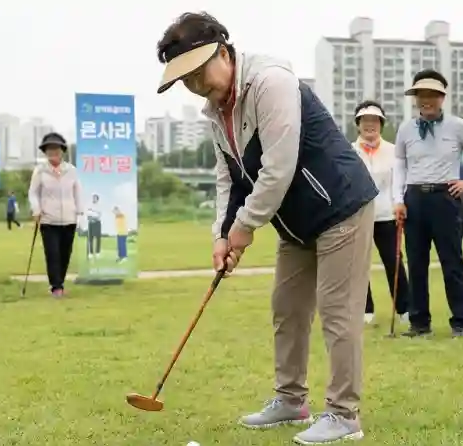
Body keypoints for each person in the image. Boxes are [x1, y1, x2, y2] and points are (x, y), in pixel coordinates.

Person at [156, 12, 378, 444]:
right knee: (287, 308)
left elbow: (278, 168)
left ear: (223, 52)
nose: (196, 83)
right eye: (185, 78)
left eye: (199, 71)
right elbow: (229, 179)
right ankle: (291, 400)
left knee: (338, 313)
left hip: (341, 206)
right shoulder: (215, 111)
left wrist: (244, 228)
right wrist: (221, 236)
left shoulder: (270, 81)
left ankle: (344, 414)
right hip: (295, 222)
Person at [393, 69, 463, 339]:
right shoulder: (405, 129)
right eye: (421, 95)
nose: (426, 100)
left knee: (452, 262)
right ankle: (419, 322)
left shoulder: (457, 126)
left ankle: (459, 322)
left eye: (432, 95)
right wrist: (398, 199)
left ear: (442, 98)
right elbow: (399, 165)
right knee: (416, 262)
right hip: (414, 198)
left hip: (445, 197)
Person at [350, 100, 410, 325]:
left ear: (381, 124)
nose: (370, 125)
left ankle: (404, 308)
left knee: (394, 262)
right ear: (358, 125)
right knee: (358, 265)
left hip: (387, 215)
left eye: (374, 121)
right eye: (365, 121)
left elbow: (399, 182)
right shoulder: (349, 151)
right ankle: (365, 310)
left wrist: (399, 203)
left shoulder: (393, 151)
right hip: (359, 215)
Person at [28, 132, 83, 298]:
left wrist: (80, 211)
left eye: (56, 149)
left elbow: (78, 191)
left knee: (65, 255)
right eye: (49, 150)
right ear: (45, 152)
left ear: (62, 151)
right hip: (48, 220)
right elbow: (33, 193)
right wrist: (36, 210)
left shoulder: (72, 171)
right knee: (52, 254)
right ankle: (56, 287)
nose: (53, 152)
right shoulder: (40, 171)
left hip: (69, 219)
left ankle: (60, 282)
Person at [86, 194, 102, 259]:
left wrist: (93, 215)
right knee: (90, 238)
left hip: (97, 223)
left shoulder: (99, 206)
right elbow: (88, 214)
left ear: (97, 199)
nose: (93, 199)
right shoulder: (89, 205)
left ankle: (98, 252)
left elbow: (99, 215)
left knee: (98, 238)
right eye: (93, 198)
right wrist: (90, 218)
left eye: (95, 198)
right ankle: (91, 253)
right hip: (90, 223)